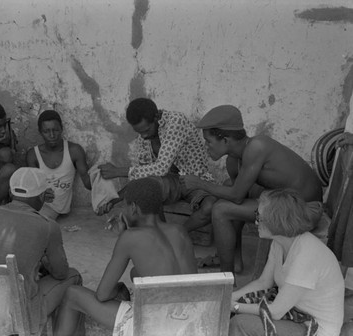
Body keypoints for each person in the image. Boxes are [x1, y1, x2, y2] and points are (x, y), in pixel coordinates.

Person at [181, 105, 323, 274]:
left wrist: (200, 183)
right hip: (282, 202)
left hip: (304, 209)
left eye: (209, 141)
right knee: (227, 187)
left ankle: (225, 278)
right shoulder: (233, 160)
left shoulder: (257, 146)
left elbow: (237, 196)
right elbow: (237, 196)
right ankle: (235, 262)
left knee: (221, 209)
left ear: (226, 140)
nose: (206, 146)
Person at [53, 177, 198, 336]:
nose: (123, 211)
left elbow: (102, 295)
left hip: (157, 325)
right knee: (135, 273)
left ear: (134, 208)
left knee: (72, 294)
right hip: (190, 320)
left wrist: (117, 289)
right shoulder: (180, 231)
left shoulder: (130, 238)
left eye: (124, 206)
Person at [0, 167, 83, 335]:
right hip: (17, 314)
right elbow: (60, 273)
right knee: (73, 276)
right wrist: (44, 257)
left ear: (10, 191)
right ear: (42, 196)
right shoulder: (47, 226)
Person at [229, 189, 344, 336]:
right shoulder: (280, 242)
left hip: (313, 326)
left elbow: (276, 312)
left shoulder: (307, 254)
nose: (256, 221)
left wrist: (234, 307)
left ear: (277, 221)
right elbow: (264, 282)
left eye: (260, 217)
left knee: (240, 323)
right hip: (294, 312)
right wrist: (229, 297)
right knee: (238, 304)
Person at [98, 97, 216, 231]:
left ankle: (177, 233)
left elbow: (161, 167)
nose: (143, 136)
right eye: (139, 132)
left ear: (156, 118)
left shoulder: (176, 121)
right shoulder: (143, 139)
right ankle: (163, 235)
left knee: (210, 207)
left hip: (196, 179)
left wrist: (118, 171)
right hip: (170, 182)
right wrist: (114, 199)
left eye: (146, 130)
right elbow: (142, 178)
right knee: (146, 191)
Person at [26, 110, 91, 219]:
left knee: (35, 222)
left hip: (54, 208)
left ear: (61, 128)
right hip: (37, 204)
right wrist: (40, 194)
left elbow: (88, 182)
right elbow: (31, 186)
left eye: (55, 130)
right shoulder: (33, 154)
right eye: (46, 131)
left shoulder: (74, 150)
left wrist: (99, 175)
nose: (52, 135)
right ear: (40, 132)